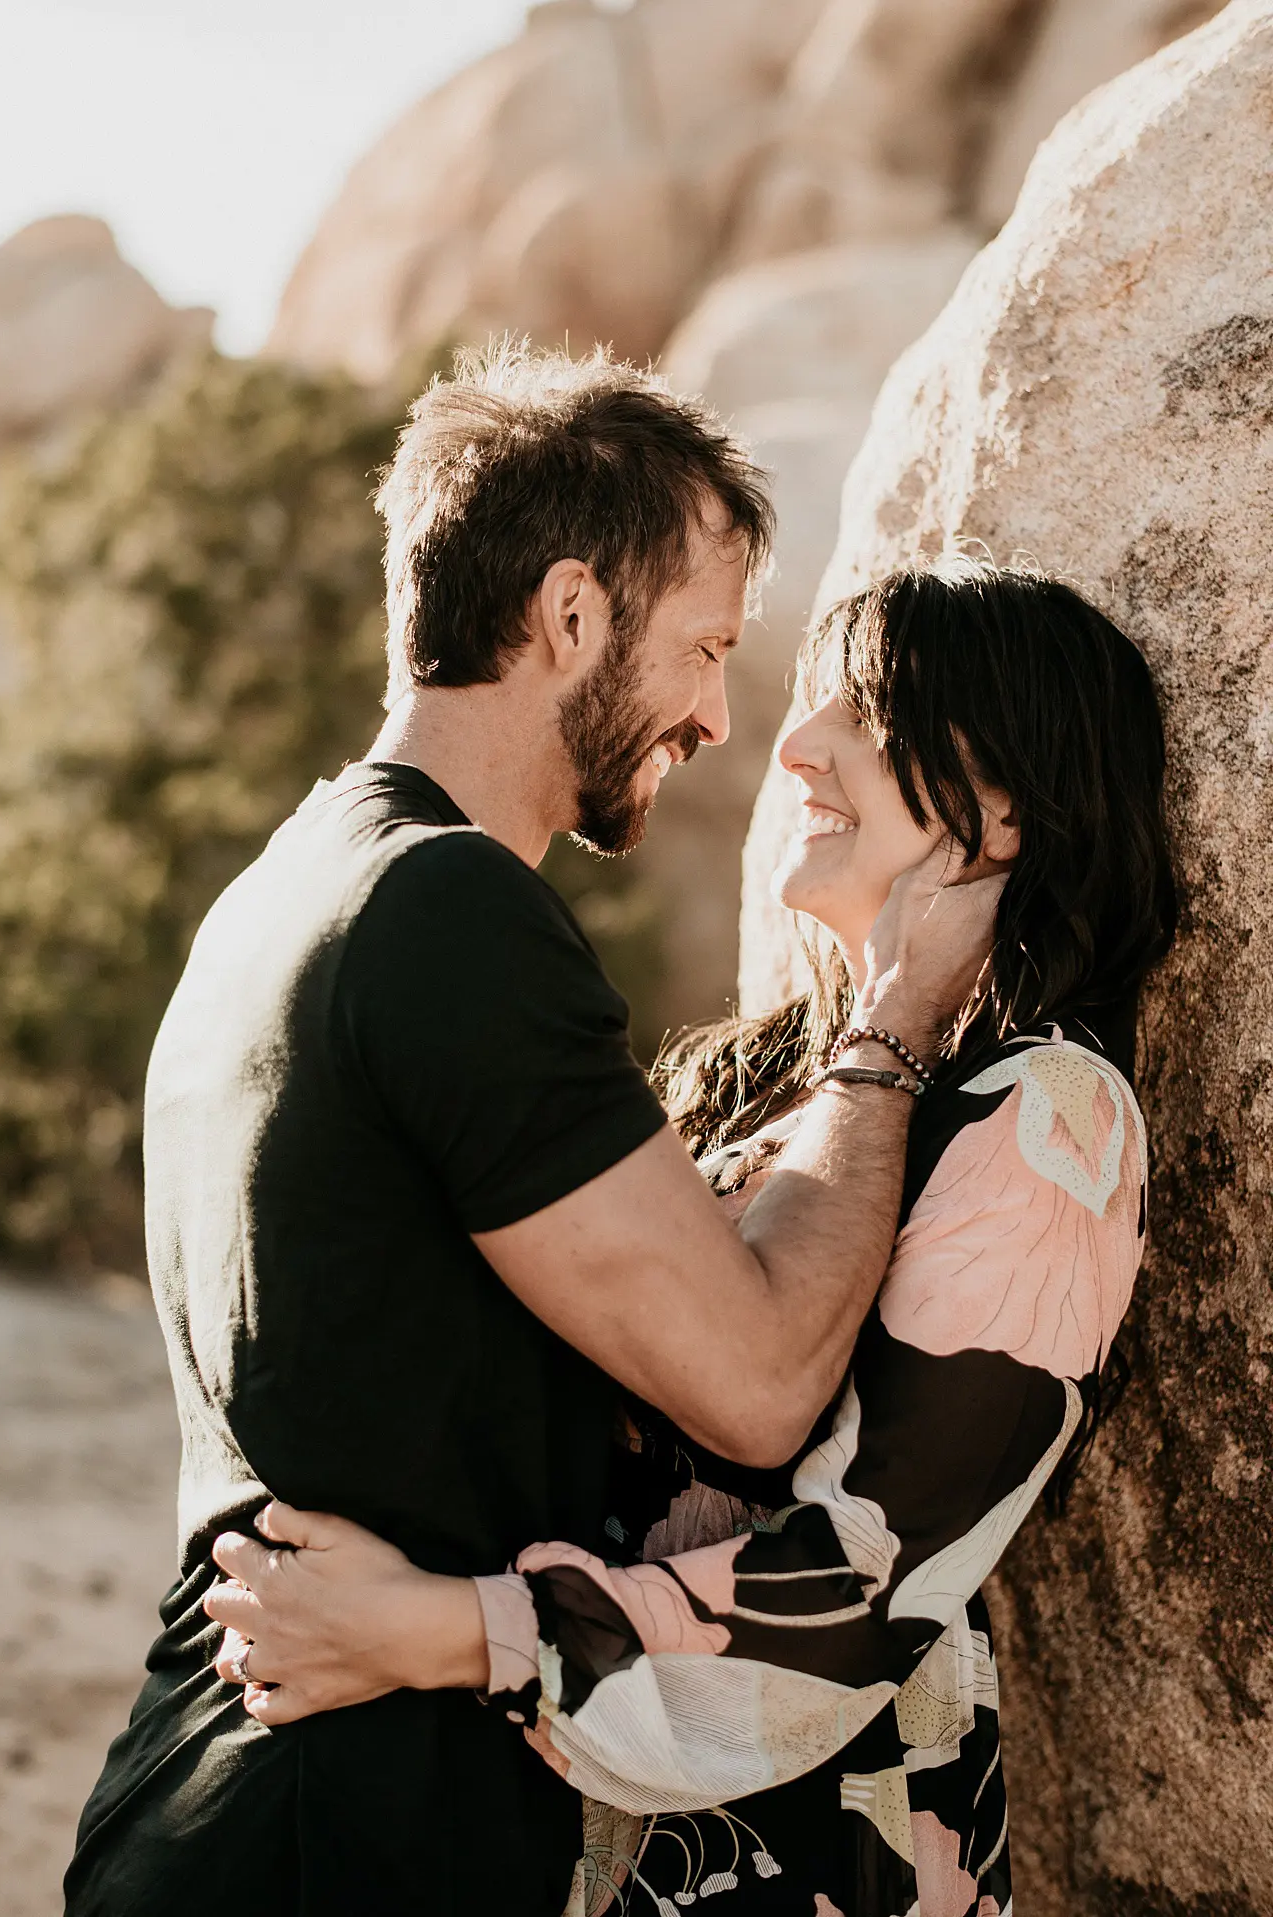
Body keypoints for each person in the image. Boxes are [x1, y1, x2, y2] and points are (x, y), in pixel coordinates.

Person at [64, 349, 1000, 1917]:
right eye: (701, 647)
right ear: (570, 616)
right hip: (346, 1831)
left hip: (225, 1792)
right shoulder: (450, 911)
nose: (714, 713)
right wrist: (896, 1026)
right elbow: (764, 1385)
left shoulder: (282, 889)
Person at [204, 559, 1177, 1917]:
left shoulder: (1051, 1116)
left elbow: (863, 1572)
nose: (793, 745)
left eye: (869, 716)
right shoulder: (788, 1074)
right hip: (567, 1815)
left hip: (801, 1851)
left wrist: (437, 1632)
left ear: (1003, 812)